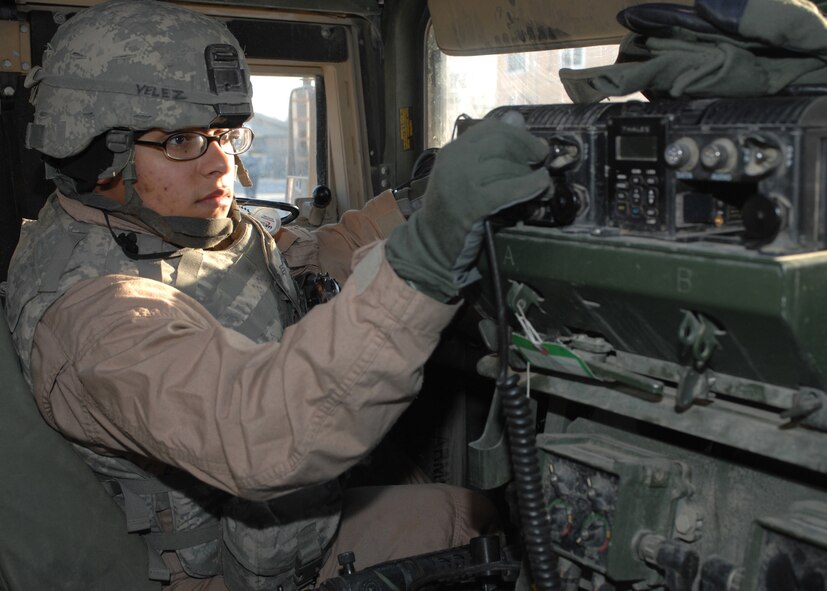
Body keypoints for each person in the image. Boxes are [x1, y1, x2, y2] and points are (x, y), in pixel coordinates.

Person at [2, 0, 552, 589]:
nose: (221, 163)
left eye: (224, 134)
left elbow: (304, 257)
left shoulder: (170, 230)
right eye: (182, 140)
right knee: (492, 533)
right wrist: (427, 258)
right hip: (240, 571)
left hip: (291, 524)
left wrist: (421, 203)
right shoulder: (99, 314)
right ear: (96, 151)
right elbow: (260, 434)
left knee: (489, 516)